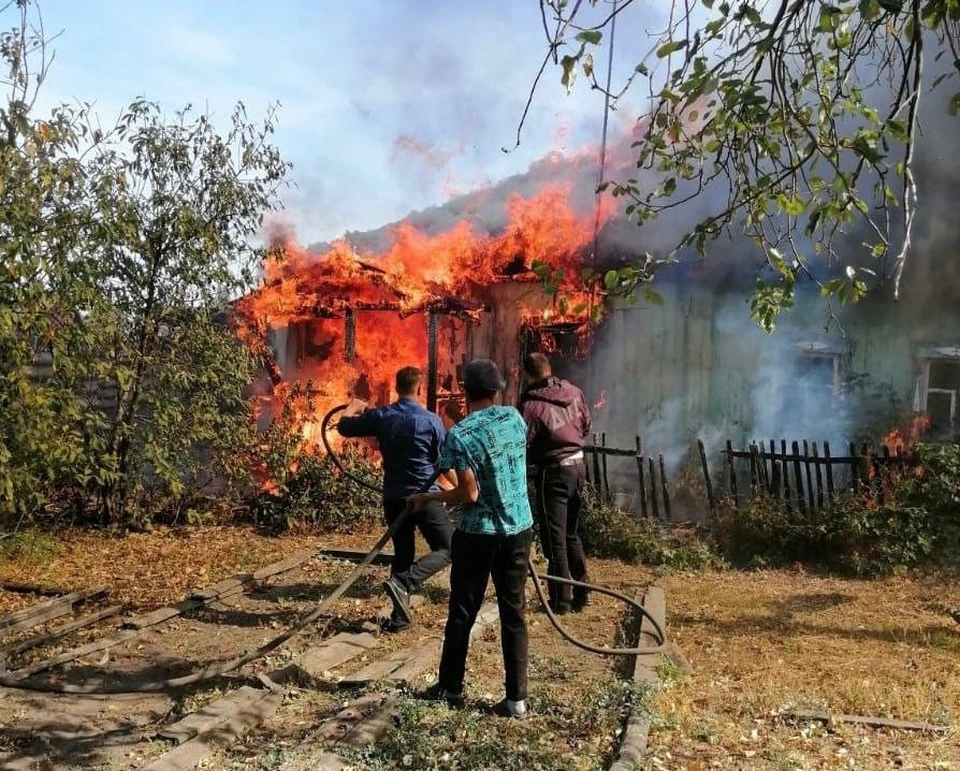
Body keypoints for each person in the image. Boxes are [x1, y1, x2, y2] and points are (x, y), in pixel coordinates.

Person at [408, 359, 533, 719]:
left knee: (463, 612)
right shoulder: (514, 417)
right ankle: (517, 701)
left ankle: (449, 688)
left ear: (465, 392)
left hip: (479, 535)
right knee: (515, 614)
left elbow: (469, 493)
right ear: (496, 391)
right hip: (518, 529)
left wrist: (428, 498)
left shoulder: (460, 435)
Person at [337, 366, 453, 631]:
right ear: (421, 388)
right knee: (450, 548)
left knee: (403, 552)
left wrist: (353, 407)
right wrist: (453, 491)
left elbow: (343, 427)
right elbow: (443, 461)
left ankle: (400, 618)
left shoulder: (382, 416)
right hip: (424, 496)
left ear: (396, 387)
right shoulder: (432, 421)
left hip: (395, 497)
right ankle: (405, 583)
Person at [519, 352, 592, 615]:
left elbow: (522, 441)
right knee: (571, 533)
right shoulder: (574, 391)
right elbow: (585, 425)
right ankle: (583, 592)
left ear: (527, 374)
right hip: (578, 468)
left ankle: (561, 601)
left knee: (555, 540)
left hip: (553, 473)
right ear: (549, 369)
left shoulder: (530, 404)